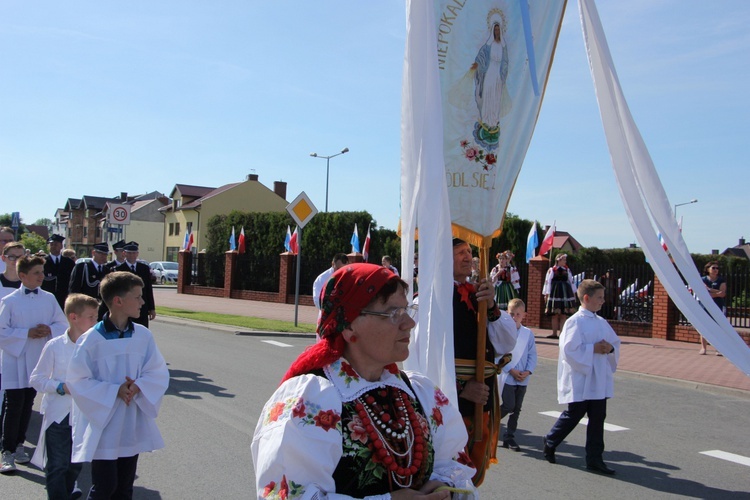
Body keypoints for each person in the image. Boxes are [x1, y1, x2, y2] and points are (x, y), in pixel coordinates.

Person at [252, 263, 477, 499]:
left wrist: (446, 490)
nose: (409, 324)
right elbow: (287, 495)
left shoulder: (419, 393)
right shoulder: (311, 401)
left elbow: (457, 469)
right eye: (393, 314)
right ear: (349, 327)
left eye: (407, 310)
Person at [67, 271, 169, 499]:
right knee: (105, 487)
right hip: (104, 424)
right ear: (118, 301)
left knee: (124, 487)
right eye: (138, 296)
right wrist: (115, 390)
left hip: (130, 422)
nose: (143, 302)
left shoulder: (142, 336)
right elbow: (77, 381)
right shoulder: (91, 340)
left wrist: (139, 385)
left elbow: (157, 370)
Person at [449, 238, 517, 486]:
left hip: (483, 399)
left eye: (469, 251)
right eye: (460, 252)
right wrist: (461, 389)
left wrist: (491, 307)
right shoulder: (431, 297)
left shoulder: (479, 294)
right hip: (450, 402)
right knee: (447, 472)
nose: (468, 257)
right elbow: (421, 356)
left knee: (473, 470)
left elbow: (506, 343)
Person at [543, 280, 620, 475]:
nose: (603, 301)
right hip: (582, 377)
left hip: (598, 379)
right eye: (599, 298)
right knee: (574, 414)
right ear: (586, 298)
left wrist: (610, 348)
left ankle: (595, 459)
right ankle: (551, 440)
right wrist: (592, 349)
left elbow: (614, 343)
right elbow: (569, 349)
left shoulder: (601, 322)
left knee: (597, 418)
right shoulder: (574, 321)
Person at [0, 255, 67, 474]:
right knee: (14, 404)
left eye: (42, 272)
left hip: (38, 359)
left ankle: (19, 445)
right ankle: (6, 451)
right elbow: (2, 331)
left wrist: (49, 329)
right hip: (16, 358)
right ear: (22, 276)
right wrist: (25, 333)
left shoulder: (48, 298)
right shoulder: (9, 301)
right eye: (37, 272)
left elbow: (61, 323)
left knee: (28, 402)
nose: (42, 276)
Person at [30, 293, 99, 499]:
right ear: (73, 317)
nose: (95, 321)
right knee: (57, 465)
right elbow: (36, 378)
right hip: (58, 415)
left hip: (84, 416)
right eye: (91, 317)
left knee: (74, 466)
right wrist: (60, 387)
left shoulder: (96, 347)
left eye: (96, 317)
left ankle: (67, 492)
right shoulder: (55, 346)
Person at [498, 298, 536, 452]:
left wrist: (528, 371)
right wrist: (511, 370)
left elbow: (532, 354)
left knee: (517, 408)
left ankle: (509, 436)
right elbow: (498, 353)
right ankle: (491, 422)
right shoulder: (503, 331)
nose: (514, 317)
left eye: (518, 314)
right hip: (509, 376)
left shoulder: (528, 334)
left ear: (524, 315)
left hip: (523, 378)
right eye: (512, 314)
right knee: (508, 405)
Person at [471, 14, 510, 150]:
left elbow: (505, 62)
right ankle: (486, 121)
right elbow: (481, 56)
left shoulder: (503, 46)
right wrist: (477, 65)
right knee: (487, 95)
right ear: (493, 30)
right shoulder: (489, 44)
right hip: (489, 73)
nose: (497, 32)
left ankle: (494, 121)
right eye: (495, 30)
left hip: (498, 74)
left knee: (496, 97)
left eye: (499, 30)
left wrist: (504, 72)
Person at [116, 242, 156, 327]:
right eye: (129, 253)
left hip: (142, 307)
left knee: (142, 333)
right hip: (126, 308)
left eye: (134, 253)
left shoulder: (144, 268)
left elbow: (148, 289)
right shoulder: (119, 269)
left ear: (137, 254)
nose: (132, 255)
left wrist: (152, 308)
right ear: (124, 253)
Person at [69, 242, 111, 319]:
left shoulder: (107, 270)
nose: (103, 256)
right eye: (100, 253)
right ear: (93, 253)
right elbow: (74, 288)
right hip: (84, 307)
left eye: (105, 254)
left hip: (101, 310)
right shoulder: (82, 267)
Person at [543, 253, 577, 339]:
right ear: (558, 260)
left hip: (565, 293)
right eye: (564, 260)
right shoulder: (552, 270)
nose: (565, 261)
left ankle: (562, 333)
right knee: (554, 314)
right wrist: (546, 294)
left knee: (563, 314)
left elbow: (571, 281)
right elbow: (548, 282)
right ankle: (554, 333)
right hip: (555, 292)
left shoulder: (567, 270)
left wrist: (574, 293)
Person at [699, 261, 726, 355]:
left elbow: (722, 294)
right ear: (708, 269)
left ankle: (719, 349)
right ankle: (703, 348)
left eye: (717, 268)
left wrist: (711, 292)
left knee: (718, 327)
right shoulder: (702, 280)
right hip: (704, 306)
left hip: (718, 306)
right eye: (713, 268)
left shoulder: (721, 280)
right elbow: (704, 293)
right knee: (704, 327)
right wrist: (716, 293)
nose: (715, 270)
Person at [42, 234, 76, 310]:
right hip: (47, 298)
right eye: (51, 244)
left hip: (64, 298)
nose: (53, 246)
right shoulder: (43, 262)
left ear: (61, 246)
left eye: (56, 244)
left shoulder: (69, 262)